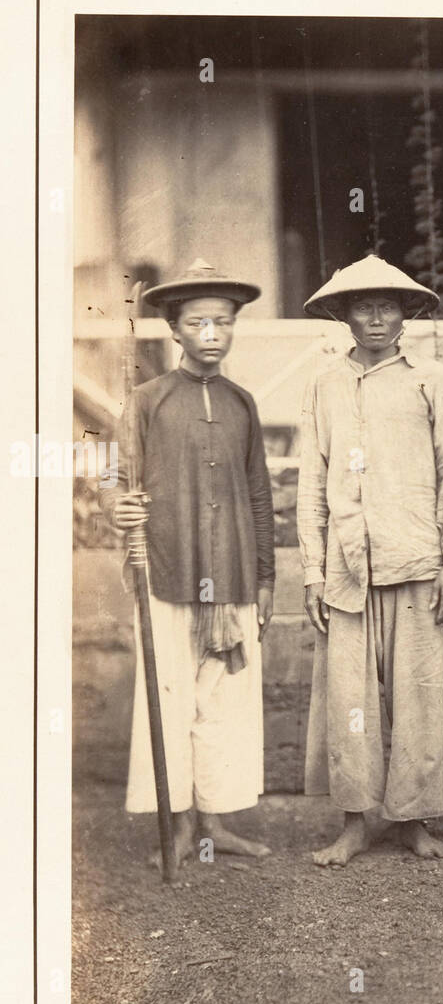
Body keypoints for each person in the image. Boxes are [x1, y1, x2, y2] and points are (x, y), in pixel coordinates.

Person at [101, 258, 276, 865]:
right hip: (168, 569)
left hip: (231, 576)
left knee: (223, 706)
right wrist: (119, 510)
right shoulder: (148, 401)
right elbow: (118, 481)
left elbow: (258, 493)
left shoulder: (242, 403)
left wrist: (268, 576)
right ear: (174, 329)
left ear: (233, 328)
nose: (211, 333)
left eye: (222, 323)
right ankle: (177, 829)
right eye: (197, 322)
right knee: (169, 700)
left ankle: (215, 826)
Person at [297, 255, 443, 866]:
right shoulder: (325, 382)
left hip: (416, 557)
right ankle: (354, 823)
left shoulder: (432, 381)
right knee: (350, 699)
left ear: (405, 314)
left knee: (420, 696)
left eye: (388, 305)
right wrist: (313, 570)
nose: (376, 317)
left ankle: (416, 821)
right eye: (364, 306)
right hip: (347, 567)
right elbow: (312, 478)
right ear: (344, 315)